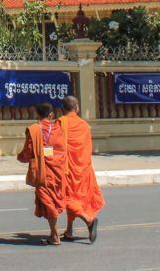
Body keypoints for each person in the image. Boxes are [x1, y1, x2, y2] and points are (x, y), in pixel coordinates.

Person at [17, 100, 67, 246]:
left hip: (42, 171)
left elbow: (28, 151)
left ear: (37, 114)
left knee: (49, 202)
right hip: (56, 169)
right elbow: (62, 149)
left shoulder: (34, 130)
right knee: (51, 200)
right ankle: (53, 233)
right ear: (51, 115)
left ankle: (55, 235)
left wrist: (21, 158)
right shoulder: (58, 129)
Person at [58, 94, 104, 243]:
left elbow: (55, 145)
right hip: (83, 168)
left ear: (62, 109)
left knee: (67, 198)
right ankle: (69, 229)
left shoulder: (61, 122)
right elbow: (87, 148)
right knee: (76, 198)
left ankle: (88, 220)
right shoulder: (84, 125)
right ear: (77, 108)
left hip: (68, 168)